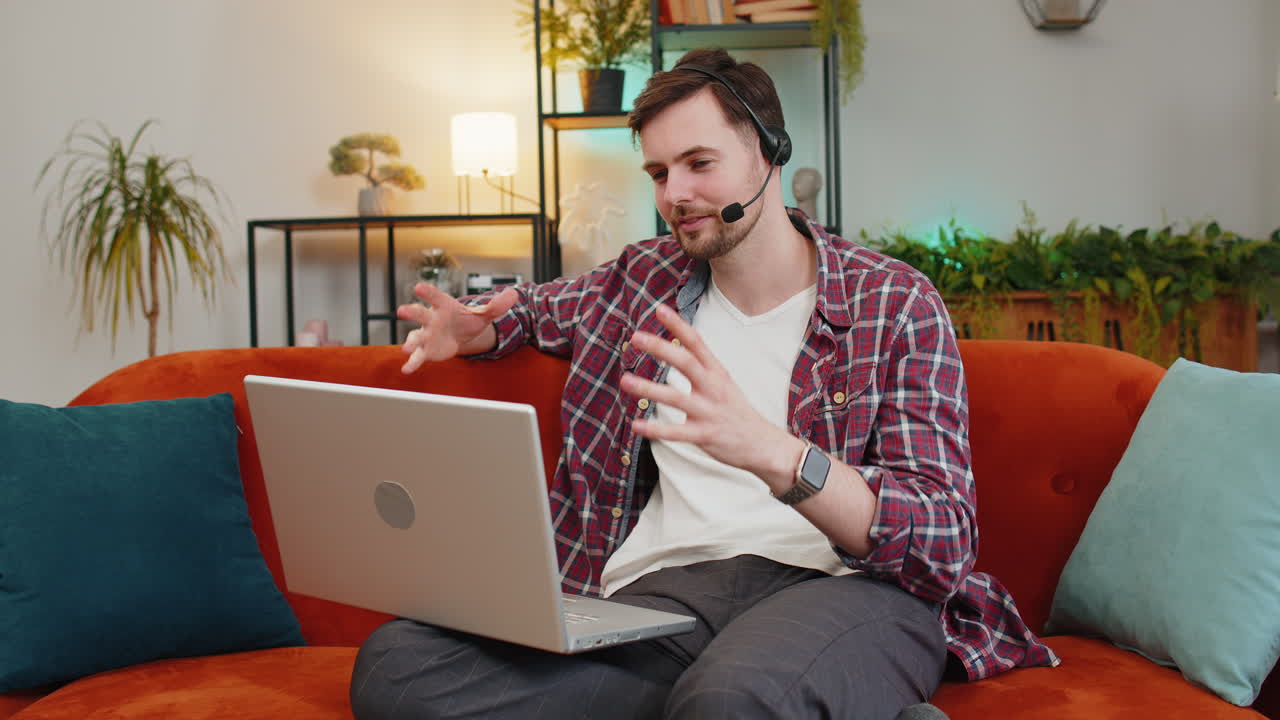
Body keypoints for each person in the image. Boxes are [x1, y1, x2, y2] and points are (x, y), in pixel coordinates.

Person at [350, 48, 1057, 720]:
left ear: (770, 152)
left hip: (842, 591)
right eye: (659, 173)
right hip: (662, 603)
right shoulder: (640, 280)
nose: (676, 195)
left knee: (731, 699)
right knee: (397, 666)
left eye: (699, 163)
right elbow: (535, 309)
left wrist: (772, 452)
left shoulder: (895, 302)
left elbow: (942, 538)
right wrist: (478, 328)